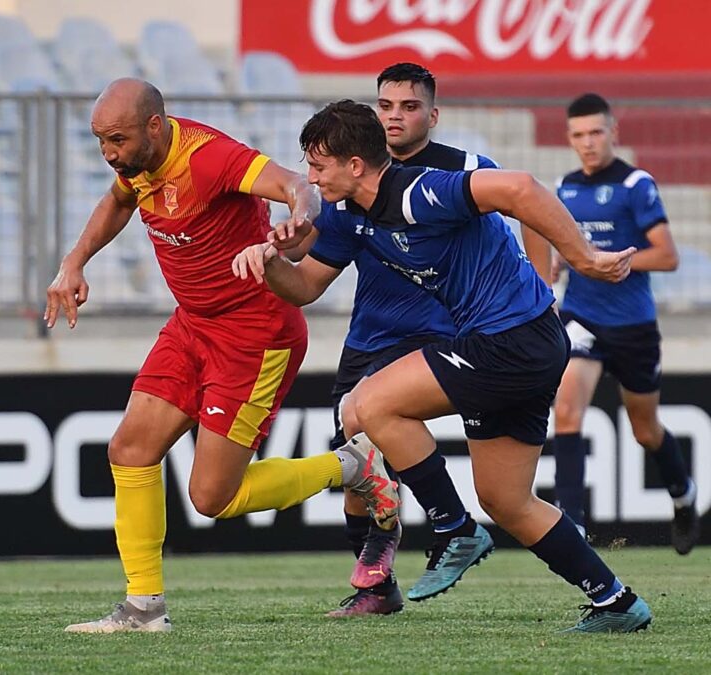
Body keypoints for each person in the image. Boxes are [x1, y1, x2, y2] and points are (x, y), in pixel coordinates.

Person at [233, 99, 653, 633]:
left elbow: (521, 189)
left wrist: (584, 258)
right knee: (507, 500)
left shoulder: (419, 190)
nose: (308, 178)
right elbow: (306, 288)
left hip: (512, 339)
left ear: (355, 165)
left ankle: (454, 528)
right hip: (516, 346)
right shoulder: (349, 216)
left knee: (367, 406)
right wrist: (271, 263)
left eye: (317, 166)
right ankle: (616, 602)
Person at [46, 79, 400, 633]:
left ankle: (354, 465)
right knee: (130, 448)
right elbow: (119, 200)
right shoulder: (136, 162)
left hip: (255, 333)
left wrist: (297, 219)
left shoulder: (210, 158)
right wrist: (74, 262)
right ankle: (143, 608)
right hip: (192, 325)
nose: (109, 153)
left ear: (154, 127)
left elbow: (291, 184)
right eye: (100, 141)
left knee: (212, 497)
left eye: (116, 139)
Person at [316, 63, 519, 617]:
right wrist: (275, 251)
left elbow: (519, 218)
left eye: (409, 107)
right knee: (357, 464)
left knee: (374, 428)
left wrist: (546, 284)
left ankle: (461, 525)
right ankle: (376, 584)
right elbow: (311, 275)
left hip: (448, 334)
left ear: (433, 114)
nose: (396, 116)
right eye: (386, 106)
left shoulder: (467, 171)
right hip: (371, 335)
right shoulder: (348, 183)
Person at [551, 93, 697, 553]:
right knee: (567, 410)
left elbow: (668, 255)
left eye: (596, 132)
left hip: (632, 326)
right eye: (579, 135)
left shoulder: (636, 184)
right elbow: (561, 247)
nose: (588, 143)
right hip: (582, 317)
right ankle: (570, 525)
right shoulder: (564, 187)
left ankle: (682, 494)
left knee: (645, 430)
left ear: (614, 133)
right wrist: (559, 262)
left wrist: (611, 263)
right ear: (569, 139)